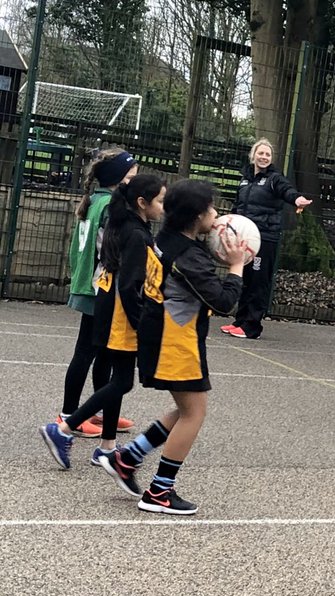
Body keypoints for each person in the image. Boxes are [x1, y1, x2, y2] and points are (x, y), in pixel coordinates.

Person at [98, 180, 244, 515]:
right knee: (195, 413)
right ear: (196, 217)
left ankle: (127, 458)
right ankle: (159, 492)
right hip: (176, 342)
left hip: (159, 335)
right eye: (211, 208)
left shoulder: (164, 240)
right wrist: (236, 268)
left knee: (185, 409)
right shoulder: (188, 256)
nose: (216, 214)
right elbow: (222, 302)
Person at [40, 175, 166, 470]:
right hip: (120, 316)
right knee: (122, 381)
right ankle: (63, 429)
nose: (163, 206)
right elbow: (130, 286)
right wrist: (142, 324)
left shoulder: (129, 226)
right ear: (142, 203)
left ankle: (107, 446)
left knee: (117, 379)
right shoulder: (136, 234)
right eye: (159, 200)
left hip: (110, 308)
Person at [54, 148, 138, 440]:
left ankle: (99, 410)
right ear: (118, 179)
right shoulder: (109, 206)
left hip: (88, 282)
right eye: (130, 177)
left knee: (103, 351)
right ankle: (68, 415)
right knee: (87, 351)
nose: (133, 182)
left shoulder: (94, 201)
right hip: (98, 286)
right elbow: (108, 251)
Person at [220, 138, 311, 340]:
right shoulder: (245, 180)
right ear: (253, 156)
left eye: (267, 154)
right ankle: (240, 321)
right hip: (245, 238)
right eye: (260, 153)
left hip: (265, 238)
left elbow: (286, 190)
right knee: (245, 279)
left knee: (259, 282)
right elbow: (239, 206)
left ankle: (252, 326)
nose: (264, 157)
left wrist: (297, 199)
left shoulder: (274, 179)